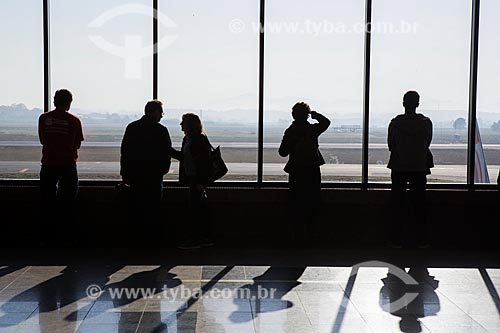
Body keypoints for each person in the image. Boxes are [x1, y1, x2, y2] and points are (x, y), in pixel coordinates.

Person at [278, 102, 330, 246]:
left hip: (296, 171)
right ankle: (312, 235)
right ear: (306, 115)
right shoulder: (312, 130)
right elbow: (326, 122)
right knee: (313, 203)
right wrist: (315, 115)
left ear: (293, 115)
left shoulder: (290, 131)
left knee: (296, 203)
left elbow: (282, 152)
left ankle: (297, 236)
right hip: (312, 170)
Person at [387, 91, 433, 249]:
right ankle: (422, 240)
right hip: (419, 167)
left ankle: (396, 240)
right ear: (418, 104)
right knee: (420, 205)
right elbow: (427, 143)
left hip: (399, 167)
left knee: (397, 204)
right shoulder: (426, 123)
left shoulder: (395, 123)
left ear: (403, 103)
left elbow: (391, 145)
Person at [120, 100, 173, 234]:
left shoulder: (132, 127)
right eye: (161, 112)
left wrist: (125, 175)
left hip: (135, 177)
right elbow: (167, 152)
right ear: (154, 112)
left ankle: (137, 238)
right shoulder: (161, 130)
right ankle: (151, 240)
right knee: (153, 210)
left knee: (136, 209)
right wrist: (163, 170)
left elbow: (125, 152)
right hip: (154, 177)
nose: (161, 116)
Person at [38, 89, 84, 238]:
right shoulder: (74, 120)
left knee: (47, 201)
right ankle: (66, 235)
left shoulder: (44, 118)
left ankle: (48, 234)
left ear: (54, 101)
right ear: (69, 103)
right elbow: (77, 144)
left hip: (48, 164)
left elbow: (42, 140)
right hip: (67, 164)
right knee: (68, 202)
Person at [175, 113, 213, 250]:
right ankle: (201, 238)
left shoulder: (198, 140)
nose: (180, 125)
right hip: (193, 178)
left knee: (195, 210)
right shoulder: (189, 139)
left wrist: (201, 182)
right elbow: (185, 157)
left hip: (196, 179)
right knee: (197, 209)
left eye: (183, 122)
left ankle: (196, 239)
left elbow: (204, 163)